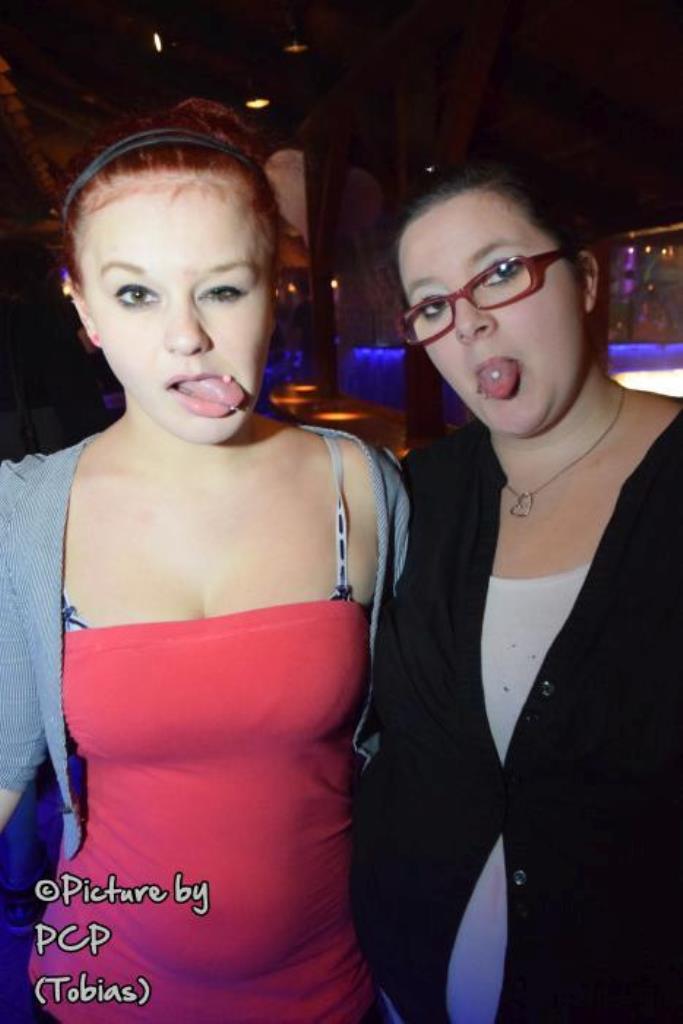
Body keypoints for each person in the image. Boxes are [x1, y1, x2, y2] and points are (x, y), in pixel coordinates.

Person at [0, 98, 408, 1023]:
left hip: (328, 991)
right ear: (84, 309)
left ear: (275, 287)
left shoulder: (360, 486)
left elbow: (419, 733)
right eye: (135, 294)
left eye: (222, 289)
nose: (185, 335)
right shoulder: (26, 512)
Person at [351, 163, 683, 1022]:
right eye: (432, 305)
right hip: (400, 986)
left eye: (499, 272)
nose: (468, 322)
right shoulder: (415, 495)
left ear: (586, 279)